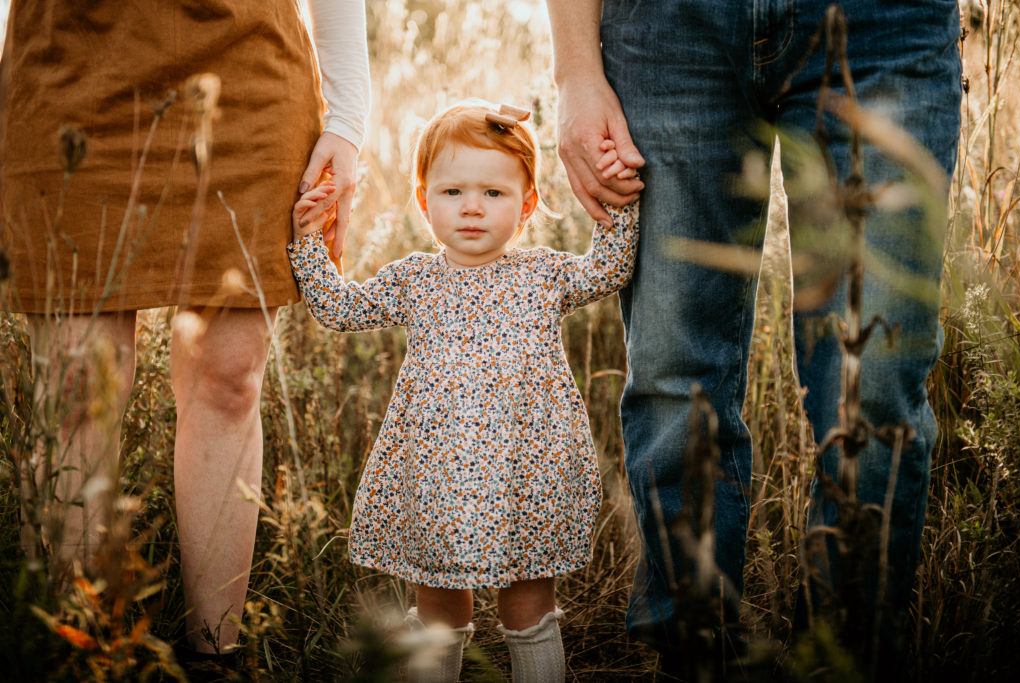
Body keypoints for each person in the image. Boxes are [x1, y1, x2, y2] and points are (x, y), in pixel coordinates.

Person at [545, 0, 962, 673]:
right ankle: (695, 657)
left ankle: (844, 660)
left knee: (872, 390)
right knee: (676, 383)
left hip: (883, 26)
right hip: (668, 31)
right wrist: (573, 71)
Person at [0, 0, 369, 660]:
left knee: (229, 377)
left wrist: (347, 118)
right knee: (77, 385)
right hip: (67, 64)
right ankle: (83, 660)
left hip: (247, 65)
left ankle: (218, 657)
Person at [288, 101, 639, 682]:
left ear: (526, 206)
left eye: (494, 194)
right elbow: (338, 308)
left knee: (529, 607)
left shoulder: (543, 275)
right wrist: (307, 240)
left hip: (529, 473)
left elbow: (609, 270)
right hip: (436, 474)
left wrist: (618, 198)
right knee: (438, 609)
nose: (472, 207)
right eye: (452, 192)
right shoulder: (414, 280)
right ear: (424, 201)